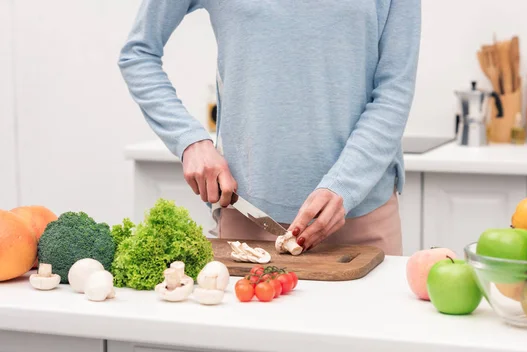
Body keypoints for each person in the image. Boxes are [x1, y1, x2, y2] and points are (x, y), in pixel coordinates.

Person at [118, 0, 421, 256]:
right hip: (248, 222)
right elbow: (138, 53)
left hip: (361, 224)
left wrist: (345, 186)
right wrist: (189, 141)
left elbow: (395, 89)